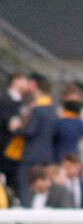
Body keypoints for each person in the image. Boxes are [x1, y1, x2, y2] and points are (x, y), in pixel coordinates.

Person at [10, 74, 59, 205]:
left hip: (32, 156)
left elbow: (30, 131)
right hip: (47, 156)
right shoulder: (53, 109)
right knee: (44, 189)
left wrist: (16, 129)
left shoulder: (37, 109)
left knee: (26, 188)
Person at [0, 72, 29, 198]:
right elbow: (10, 124)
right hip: (5, 147)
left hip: (19, 150)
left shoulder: (26, 101)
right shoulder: (4, 98)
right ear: (15, 80)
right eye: (24, 80)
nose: (26, 84)